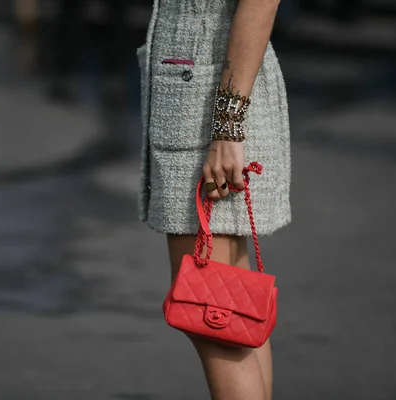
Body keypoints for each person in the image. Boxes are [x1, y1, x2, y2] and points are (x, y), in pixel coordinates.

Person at [137, 1, 290, 399]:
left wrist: (227, 126)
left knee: (209, 315)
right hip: (201, 85)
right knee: (233, 314)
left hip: (210, 99)